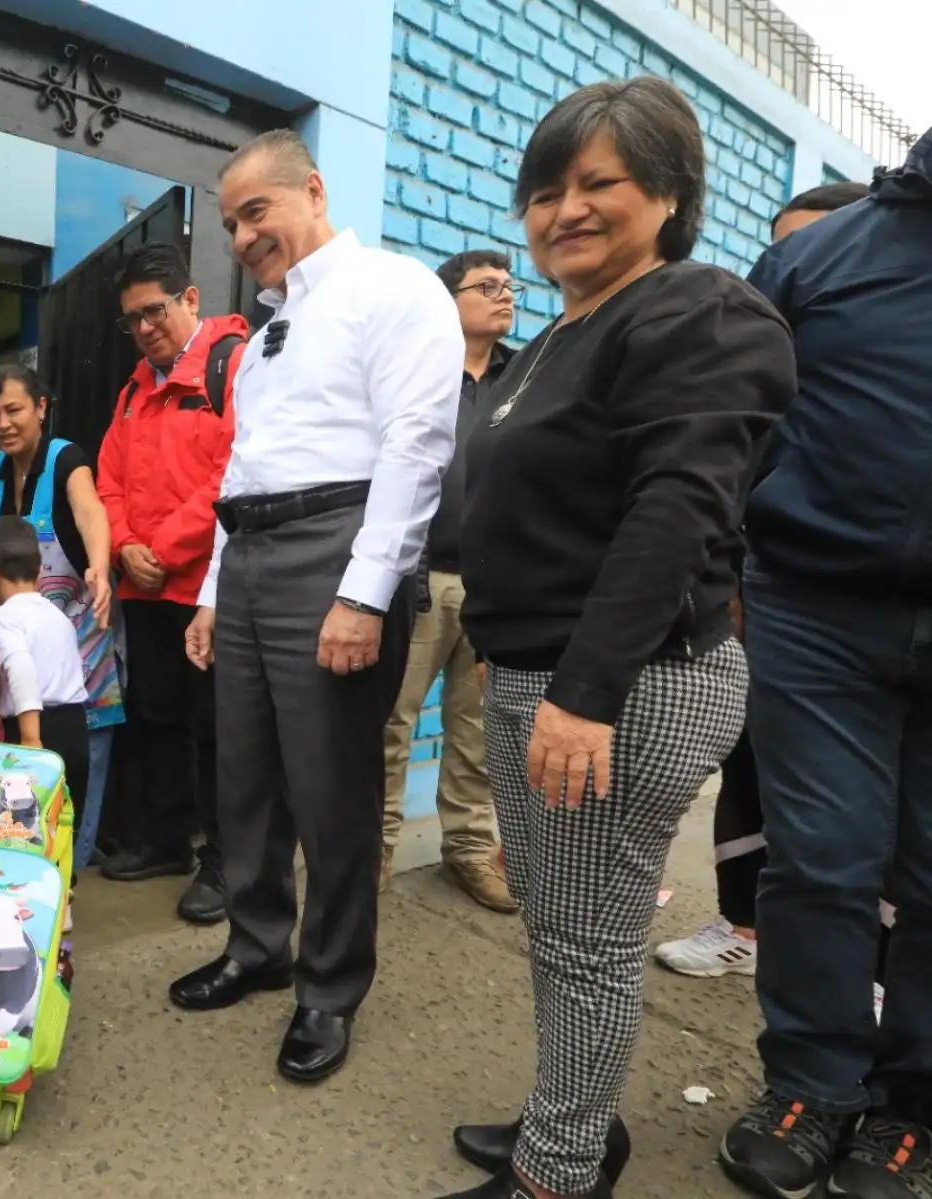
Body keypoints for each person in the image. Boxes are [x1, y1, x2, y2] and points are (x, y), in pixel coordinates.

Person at [442, 78, 795, 1199]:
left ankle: (561, 1170)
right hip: (553, 672)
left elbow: (675, 512)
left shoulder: (699, 310)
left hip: (625, 685)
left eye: (599, 182)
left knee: (588, 940)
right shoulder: (562, 331)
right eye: (546, 191)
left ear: (671, 191)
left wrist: (585, 690)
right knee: (559, 924)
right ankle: (574, 1119)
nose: (565, 210)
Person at [167, 128, 463, 1086]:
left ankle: (330, 987)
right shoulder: (259, 341)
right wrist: (214, 592)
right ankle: (260, 946)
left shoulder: (393, 289)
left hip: (335, 550)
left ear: (314, 190)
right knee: (245, 777)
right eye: (230, 222)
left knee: (332, 789)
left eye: (258, 210)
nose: (245, 234)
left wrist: (364, 593)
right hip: (250, 555)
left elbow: (417, 446)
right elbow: (242, 471)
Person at [716, 128, 932, 1199]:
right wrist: (737, 568)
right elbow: (736, 422)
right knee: (822, 857)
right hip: (818, 608)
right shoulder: (824, 255)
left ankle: (910, 1104)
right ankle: (813, 1082)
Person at [652, 178, 873, 985]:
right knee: (749, 768)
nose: (793, 266)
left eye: (812, 245)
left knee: (854, 804)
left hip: (860, 612)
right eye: (781, 248)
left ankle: (870, 965)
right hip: (756, 596)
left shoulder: (882, 374)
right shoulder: (751, 361)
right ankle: (742, 921)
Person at [92, 241, 246, 923]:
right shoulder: (133, 391)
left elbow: (234, 472)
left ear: (190, 299)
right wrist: (124, 546)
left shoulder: (230, 368)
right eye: (133, 318)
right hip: (145, 589)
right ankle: (165, 841)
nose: (145, 327)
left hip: (208, 590)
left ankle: (224, 860)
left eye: (154, 311)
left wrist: (159, 545)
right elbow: (109, 481)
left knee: (218, 730)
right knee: (156, 719)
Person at [380, 248, 518, 913]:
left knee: (477, 730)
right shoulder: (418, 372)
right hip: (419, 578)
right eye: (485, 286)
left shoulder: (525, 378)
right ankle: (371, 855)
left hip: (496, 584)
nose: (503, 295)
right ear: (448, 299)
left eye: (508, 285)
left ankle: (466, 849)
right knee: (389, 722)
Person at [0, 364, 121, 868]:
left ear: (41, 407)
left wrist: (99, 568)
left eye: (13, 409)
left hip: (78, 627)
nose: (3, 423)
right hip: (11, 635)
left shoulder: (67, 460)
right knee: (19, 756)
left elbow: (90, 512)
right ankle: (24, 861)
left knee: (86, 751)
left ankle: (69, 867)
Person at [0, 516, 91, 837]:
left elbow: (21, 669)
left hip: (36, 728)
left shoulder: (3, 617)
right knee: (63, 827)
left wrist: (30, 738)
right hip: (74, 726)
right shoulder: (56, 615)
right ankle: (64, 885)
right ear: (39, 566)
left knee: (27, 833)